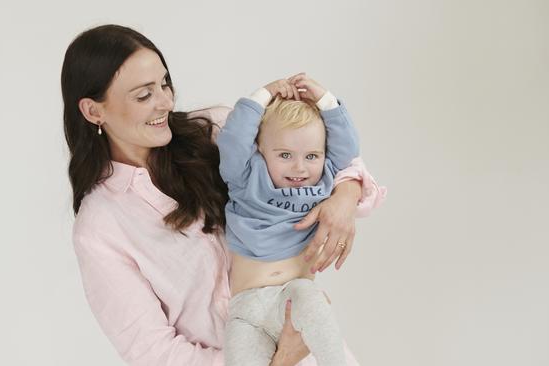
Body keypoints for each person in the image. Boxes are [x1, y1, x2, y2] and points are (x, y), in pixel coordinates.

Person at [61, 24, 386, 366]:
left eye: (165, 84)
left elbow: (326, 155)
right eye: (144, 95)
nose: (166, 102)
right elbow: (152, 352)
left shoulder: (216, 131)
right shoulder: (99, 227)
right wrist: (279, 359)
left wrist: (345, 196)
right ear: (93, 111)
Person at [219, 75, 365, 366]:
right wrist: (264, 94)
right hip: (245, 311)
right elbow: (233, 139)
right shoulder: (246, 178)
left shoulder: (325, 178)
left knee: (311, 298)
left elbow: (349, 148)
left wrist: (325, 100)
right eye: (285, 155)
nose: (299, 168)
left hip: (293, 297)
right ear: (260, 150)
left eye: (311, 155)